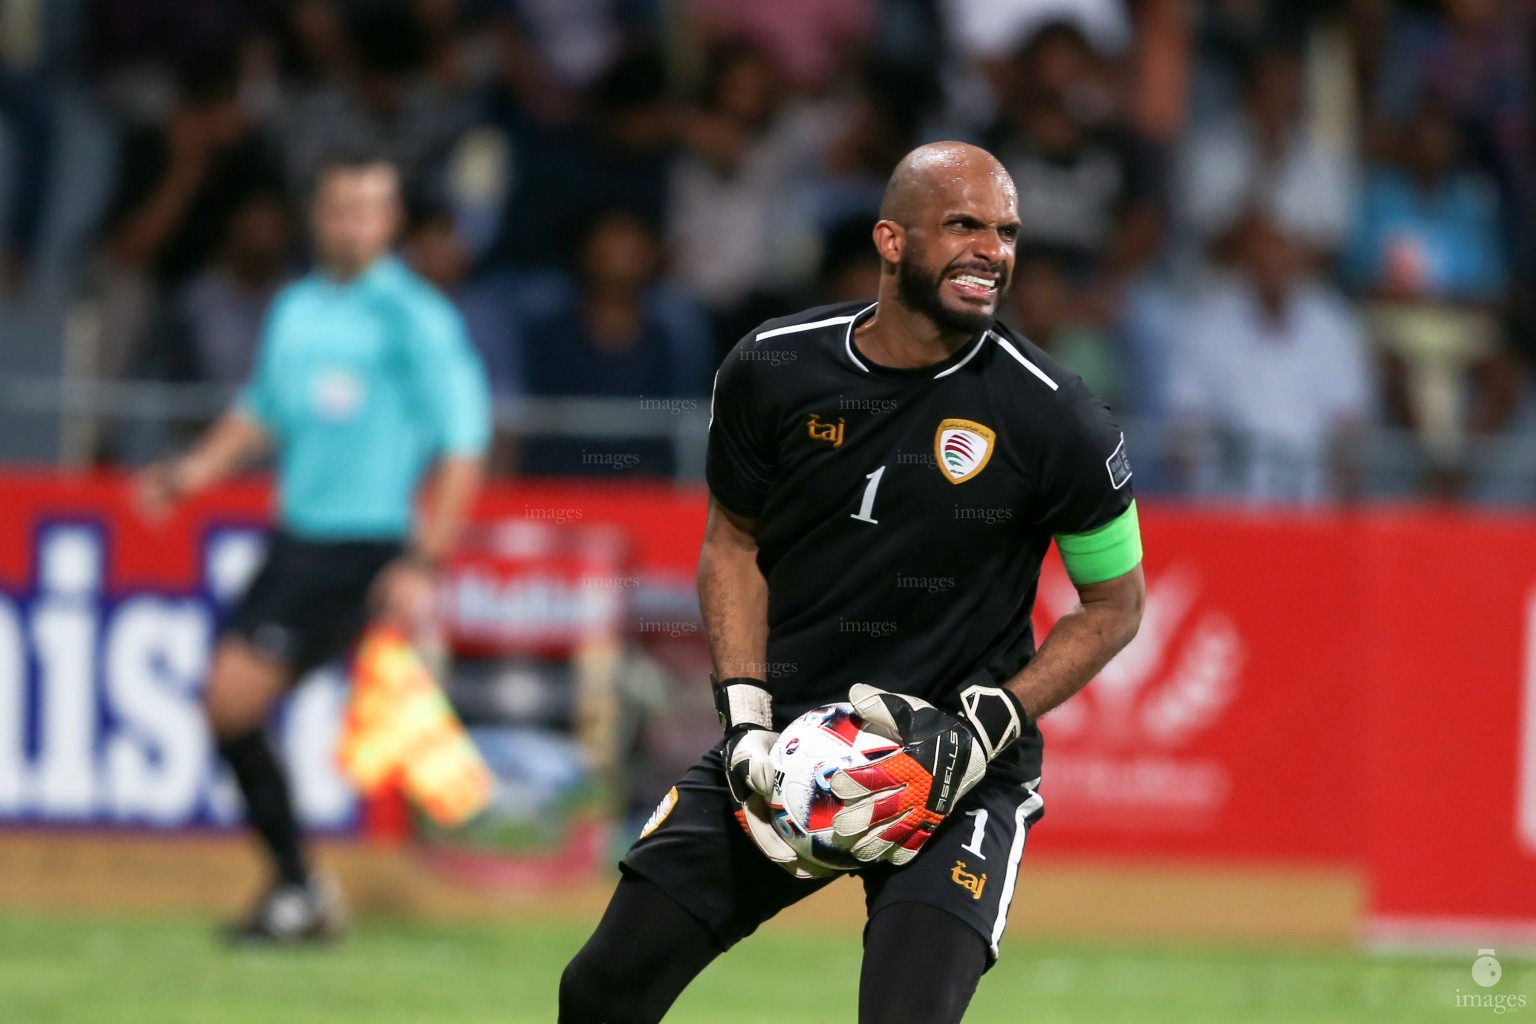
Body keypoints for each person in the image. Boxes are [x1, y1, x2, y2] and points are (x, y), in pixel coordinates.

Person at [559, 142, 1145, 1024]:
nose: (993, 250)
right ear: (892, 241)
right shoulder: (772, 368)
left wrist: (988, 723)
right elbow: (732, 545)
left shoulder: (1059, 416)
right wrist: (747, 715)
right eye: (964, 226)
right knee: (601, 991)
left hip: (954, 774)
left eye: (1007, 232)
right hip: (785, 746)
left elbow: (1115, 607)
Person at [134, 153, 492, 943]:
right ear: (318, 215)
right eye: (342, 207)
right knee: (230, 707)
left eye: (371, 208)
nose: (354, 223)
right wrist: (191, 473)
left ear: (392, 221)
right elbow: (263, 409)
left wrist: (423, 560)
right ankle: (299, 885)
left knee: (234, 701)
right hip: (297, 537)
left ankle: (304, 887)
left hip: (363, 545)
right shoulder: (296, 305)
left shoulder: (416, 317)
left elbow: (465, 443)